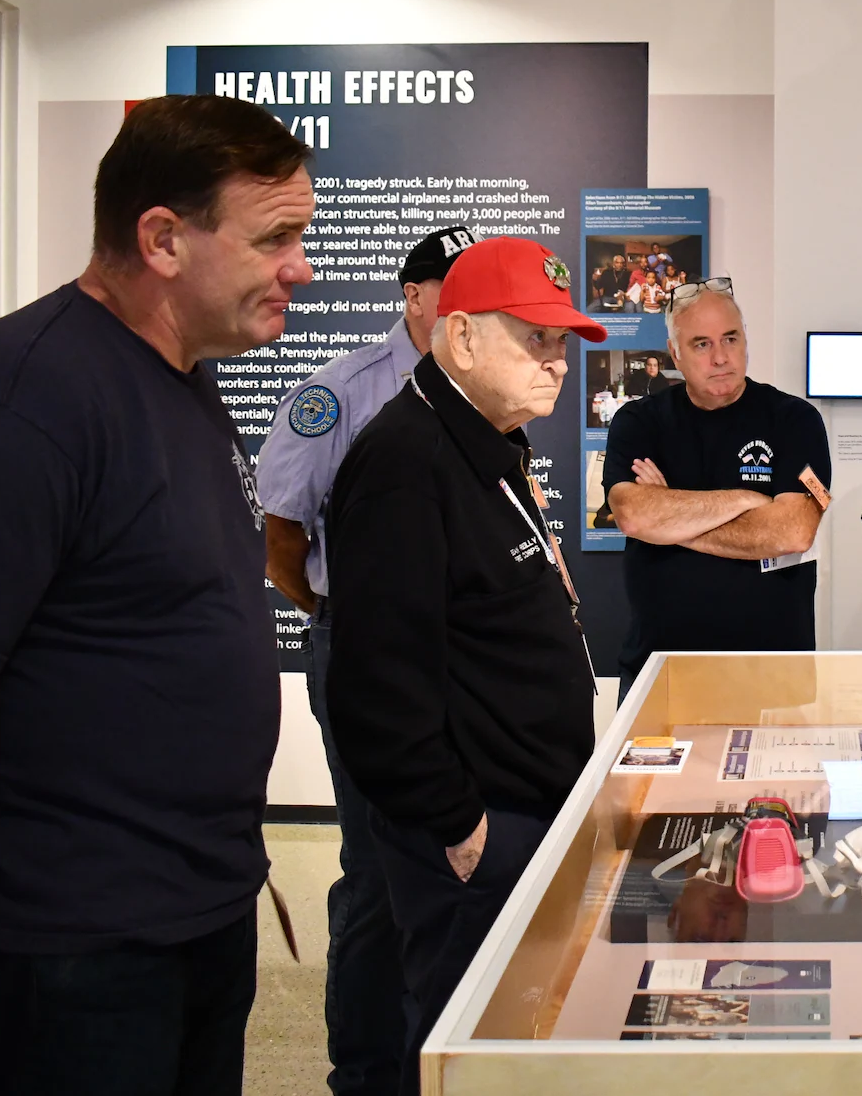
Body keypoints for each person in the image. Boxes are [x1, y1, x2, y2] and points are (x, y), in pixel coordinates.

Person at [0, 94, 314, 1093]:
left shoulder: (183, 377)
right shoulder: (14, 407)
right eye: (275, 237)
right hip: (64, 948)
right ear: (162, 240)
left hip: (194, 913)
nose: (300, 267)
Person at [324, 236, 603, 1095]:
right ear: (463, 338)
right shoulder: (406, 462)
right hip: (477, 833)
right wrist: (458, 826)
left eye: (562, 344)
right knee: (460, 1045)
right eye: (536, 339)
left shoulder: (488, 439)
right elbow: (375, 681)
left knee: (509, 1038)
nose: (558, 365)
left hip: (524, 810)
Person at [253, 222, 474, 1096]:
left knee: (451, 859)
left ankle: (440, 1057)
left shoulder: (476, 389)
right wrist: (346, 618)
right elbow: (280, 534)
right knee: (380, 872)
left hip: (461, 655)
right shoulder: (342, 392)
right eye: (451, 290)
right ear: (414, 297)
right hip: (365, 656)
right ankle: (367, 1071)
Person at [604, 279, 830, 681]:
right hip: (661, 669)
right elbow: (635, 517)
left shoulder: (796, 420)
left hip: (774, 671)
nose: (721, 357)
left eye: (730, 338)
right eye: (701, 344)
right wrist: (748, 499)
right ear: (675, 352)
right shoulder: (639, 422)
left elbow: (794, 532)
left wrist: (671, 519)